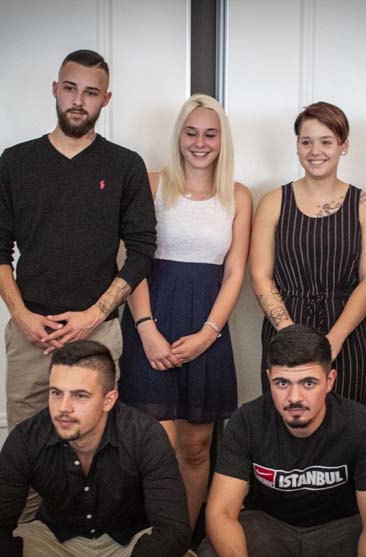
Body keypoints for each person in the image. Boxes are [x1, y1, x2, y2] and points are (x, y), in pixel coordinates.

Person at [0, 49, 156, 431]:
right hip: (31, 335)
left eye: (91, 92)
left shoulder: (125, 165)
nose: (78, 100)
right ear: (55, 89)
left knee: (95, 445)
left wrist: (94, 315)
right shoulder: (16, 162)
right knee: (26, 447)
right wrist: (21, 316)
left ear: (106, 99)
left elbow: (142, 252)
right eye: (70, 88)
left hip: (98, 333)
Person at [0, 340, 198, 557]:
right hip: (55, 538)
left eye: (80, 395)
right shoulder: (27, 437)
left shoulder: (145, 435)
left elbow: (173, 532)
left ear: (108, 400)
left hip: (127, 542)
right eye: (56, 393)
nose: (63, 408)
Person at [199, 325, 366, 557]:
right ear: (269, 378)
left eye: (309, 383)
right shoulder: (247, 421)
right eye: (282, 383)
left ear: (330, 380)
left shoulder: (361, 424)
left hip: (340, 530)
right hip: (269, 527)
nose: (294, 398)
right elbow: (221, 512)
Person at [118, 94, 252, 528]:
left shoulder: (238, 195)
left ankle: (181, 542)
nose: (200, 142)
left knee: (196, 448)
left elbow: (234, 273)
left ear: (222, 140)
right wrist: (146, 330)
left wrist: (208, 334)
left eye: (210, 134)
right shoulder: (151, 183)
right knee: (154, 446)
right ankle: (146, 543)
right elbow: (133, 261)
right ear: (178, 136)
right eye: (191, 133)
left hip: (207, 328)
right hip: (151, 322)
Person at [251, 102, 366, 407]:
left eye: (326, 142)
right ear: (297, 146)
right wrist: (291, 336)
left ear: (343, 146)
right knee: (285, 419)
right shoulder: (273, 201)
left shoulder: (365, 205)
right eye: (306, 142)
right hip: (285, 326)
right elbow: (260, 276)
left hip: (349, 332)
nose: (315, 151)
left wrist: (333, 340)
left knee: (348, 422)